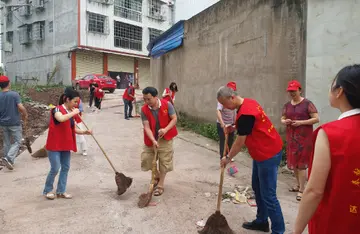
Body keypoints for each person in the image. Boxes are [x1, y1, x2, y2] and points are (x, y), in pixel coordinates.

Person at [294, 64, 360, 234]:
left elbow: (315, 191)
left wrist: (296, 230)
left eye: (332, 85)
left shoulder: (330, 133)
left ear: (339, 91)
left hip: (336, 223)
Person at [217, 86, 285, 234]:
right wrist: (234, 127)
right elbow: (248, 126)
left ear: (232, 98)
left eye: (225, 104)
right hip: (261, 153)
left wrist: (228, 158)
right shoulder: (248, 102)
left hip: (267, 153)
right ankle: (261, 222)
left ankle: (278, 231)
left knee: (269, 195)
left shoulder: (245, 113)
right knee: (258, 188)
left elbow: (240, 142)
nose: (225, 108)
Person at [43, 88, 92, 200]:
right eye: (75, 102)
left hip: (65, 145)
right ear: (67, 100)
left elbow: (73, 128)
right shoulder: (56, 110)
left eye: (77, 102)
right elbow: (60, 119)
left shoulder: (70, 112)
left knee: (65, 167)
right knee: (55, 168)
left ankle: (61, 191)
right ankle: (47, 190)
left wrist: (85, 132)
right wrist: (73, 113)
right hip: (54, 145)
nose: (76, 104)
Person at [281, 80, 319, 201]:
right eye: (290, 91)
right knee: (294, 163)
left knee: (302, 165)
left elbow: (316, 119)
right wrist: (284, 121)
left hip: (304, 139)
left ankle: (303, 189)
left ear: (300, 90)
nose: (292, 93)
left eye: (294, 91)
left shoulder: (307, 104)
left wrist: (301, 123)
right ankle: (298, 185)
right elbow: (282, 117)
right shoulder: (287, 105)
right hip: (291, 138)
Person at [141, 87, 177, 196]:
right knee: (146, 159)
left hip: (165, 138)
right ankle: (156, 175)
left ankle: (160, 185)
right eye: (144, 99)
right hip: (151, 138)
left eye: (149, 99)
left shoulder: (167, 105)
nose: (146, 102)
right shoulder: (144, 109)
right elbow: (146, 127)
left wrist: (165, 129)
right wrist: (153, 140)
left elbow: (174, 119)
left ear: (156, 97)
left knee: (164, 162)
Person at [0, 75, 28, 170]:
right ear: (8, 83)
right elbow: (20, 107)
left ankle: (8, 161)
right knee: (18, 141)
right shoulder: (14, 94)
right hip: (14, 122)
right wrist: (25, 114)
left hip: (3, 123)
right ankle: (8, 158)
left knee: (7, 142)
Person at [217, 81, 237, 161]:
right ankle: (222, 157)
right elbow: (218, 111)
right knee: (223, 142)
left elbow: (235, 112)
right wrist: (222, 124)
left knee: (230, 140)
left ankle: (229, 156)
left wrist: (235, 123)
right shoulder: (222, 99)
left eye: (233, 91)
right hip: (222, 124)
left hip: (231, 124)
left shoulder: (234, 99)